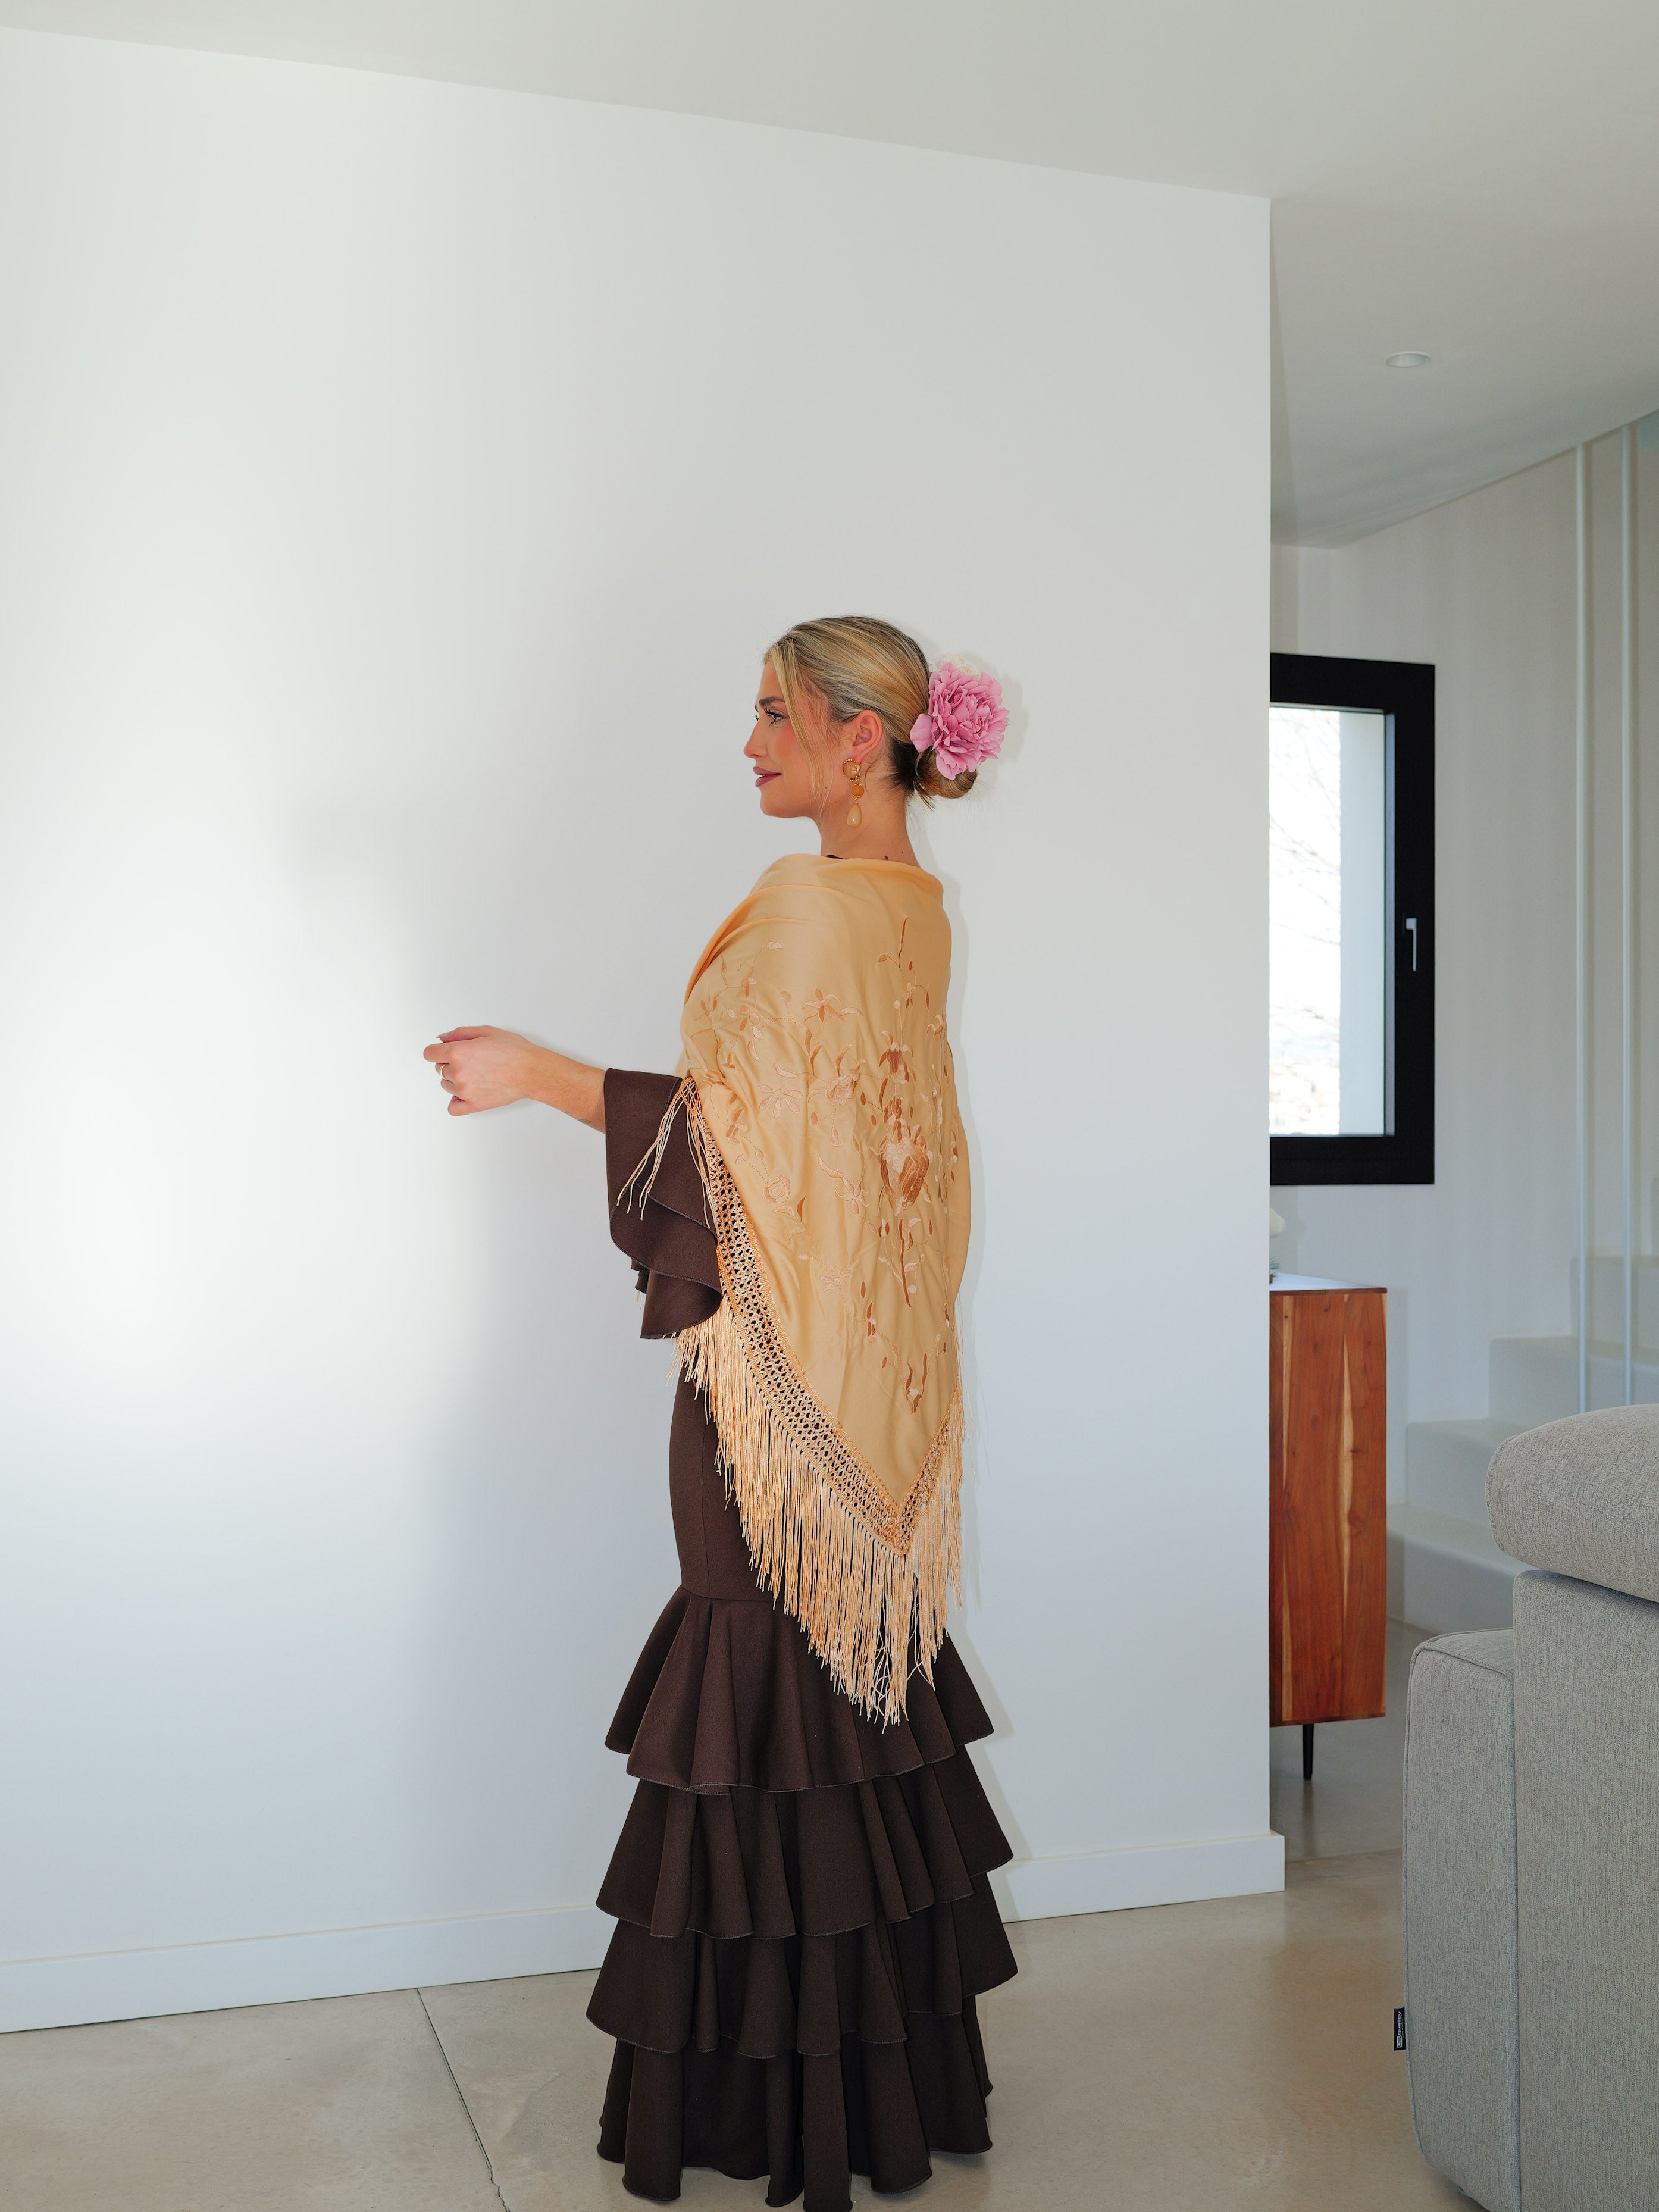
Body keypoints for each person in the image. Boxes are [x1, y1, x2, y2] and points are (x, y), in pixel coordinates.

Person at [424, 616, 1016, 2212]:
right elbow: (875, 1160)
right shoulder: (913, 909)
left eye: (771, 712)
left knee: (760, 1688)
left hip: (769, 1390)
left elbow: (741, 1144)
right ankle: (885, 2098)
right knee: (844, 1698)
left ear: (855, 736)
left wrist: (530, 1074)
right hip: (864, 1379)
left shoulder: (816, 909)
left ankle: (783, 2123)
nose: (747, 741)